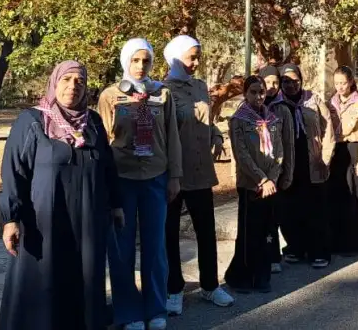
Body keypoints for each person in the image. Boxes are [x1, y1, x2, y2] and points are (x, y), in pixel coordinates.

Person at [0, 61, 122, 330]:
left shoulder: (93, 122)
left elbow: (108, 167)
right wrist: (11, 219)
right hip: (44, 221)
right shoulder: (32, 121)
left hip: (88, 220)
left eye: (79, 81)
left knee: (84, 279)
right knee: (44, 281)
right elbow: (14, 171)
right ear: (55, 82)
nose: (72, 87)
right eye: (66, 79)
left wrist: (116, 205)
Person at [100, 39, 182, 330]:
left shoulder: (162, 94)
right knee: (121, 248)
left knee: (155, 246)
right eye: (135, 60)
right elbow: (104, 142)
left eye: (146, 61)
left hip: (155, 177)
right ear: (125, 62)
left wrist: (175, 176)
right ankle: (129, 312)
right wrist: (107, 187)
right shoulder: (111, 96)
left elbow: (173, 137)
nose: (140, 66)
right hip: (123, 179)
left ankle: (156, 308)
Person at [161, 36, 235, 315]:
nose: (195, 63)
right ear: (176, 58)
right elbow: (168, 127)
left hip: (201, 170)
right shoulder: (164, 90)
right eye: (190, 57)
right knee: (169, 234)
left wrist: (215, 134)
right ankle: (173, 288)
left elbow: (210, 120)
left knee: (206, 231)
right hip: (174, 173)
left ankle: (210, 285)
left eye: (197, 57)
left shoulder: (200, 86)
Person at [224, 76, 286, 293]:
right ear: (245, 93)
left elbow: (279, 152)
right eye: (253, 92)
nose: (259, 96)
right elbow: (242, 155)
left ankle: (262, 275)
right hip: (252, 185)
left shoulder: (272, 119)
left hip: (271, 185)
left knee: (268, 232)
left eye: (261, 92)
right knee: (249, 233)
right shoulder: (239, 120)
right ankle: (240, 276)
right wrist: (262, 179)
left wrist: (273, 179)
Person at [277, 63, 334, 268]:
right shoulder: (276, 104)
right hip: (289, 166)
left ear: (301, 80)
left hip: (313, 163)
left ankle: (319, 251)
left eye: (295, 81)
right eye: (285, 81)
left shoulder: (313, 99)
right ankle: (295, 248)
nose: (290, 85)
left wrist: (325, 158)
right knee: (290, 210)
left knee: (316, 210)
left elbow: (328, 130)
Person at [325, 66, 358, 255]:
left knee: (352, 199)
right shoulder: (331, 102)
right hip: (337, 151)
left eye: (343, 83)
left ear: (351, 81)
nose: (340, 87)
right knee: (335, 197)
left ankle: (352, 244)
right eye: (337, 83)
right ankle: (335, 242)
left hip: (354, 150)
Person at [259, 65, 295, 273]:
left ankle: (274, 256)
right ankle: (259, 253)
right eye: (268, 83)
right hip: (256, 173)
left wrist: (287, 172)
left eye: (276, 83)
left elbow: (288, 144)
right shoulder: (251, 108)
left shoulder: (283, 109)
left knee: (275, 215)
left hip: (277, 172)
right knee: (259, 217)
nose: (271, 88)